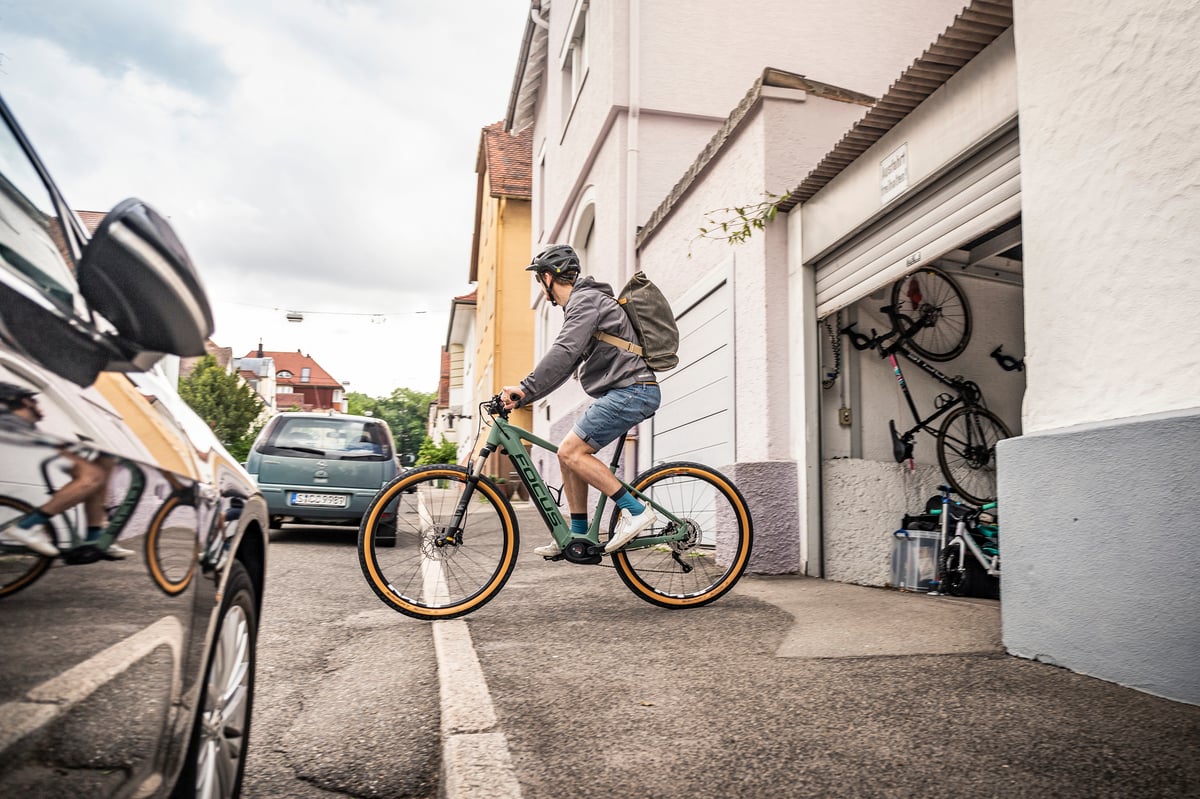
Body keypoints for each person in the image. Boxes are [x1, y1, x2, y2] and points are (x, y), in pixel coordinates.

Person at [502, 244, 661, 556]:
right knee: (567, 455)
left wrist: (525, 386)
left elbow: (563, 352)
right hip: (625, 390)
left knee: (572, 451)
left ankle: (636, 511)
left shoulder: (585, 301)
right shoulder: (583, 304)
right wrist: (527, 395)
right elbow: (567, 365)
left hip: (633, 390)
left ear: (548, 277)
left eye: (539, 279)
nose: (540, 285)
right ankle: (577, 537)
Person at [0, 381, 126, 559]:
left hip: (36, 455)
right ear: (27, 402)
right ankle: (26, 526)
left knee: (104, 464)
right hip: (31, 456)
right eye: (36, 402)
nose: (41, 409)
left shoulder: (21, 424)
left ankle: (95, 536)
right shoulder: (12, 421)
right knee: (92, 476)